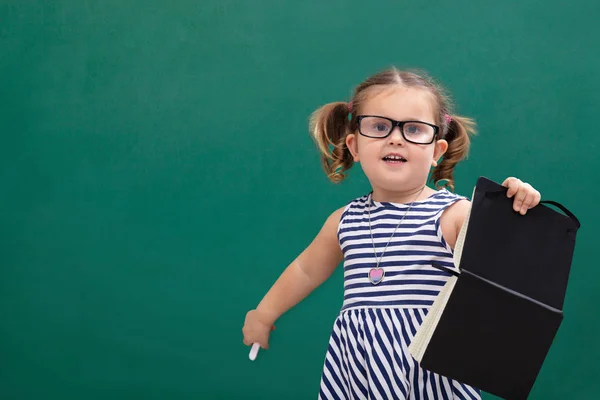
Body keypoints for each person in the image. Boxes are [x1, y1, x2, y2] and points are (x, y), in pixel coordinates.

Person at [242, 67, 541, 399]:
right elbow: (305, 269)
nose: (395, 138)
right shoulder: (345, 220)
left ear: (436, 152)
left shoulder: (455, 213)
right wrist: (264, 313)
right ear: (354, 146)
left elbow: (503, 261)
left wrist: (513, 207)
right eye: (380, 126)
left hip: (430, 366)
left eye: (413, 129)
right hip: (359, 366)